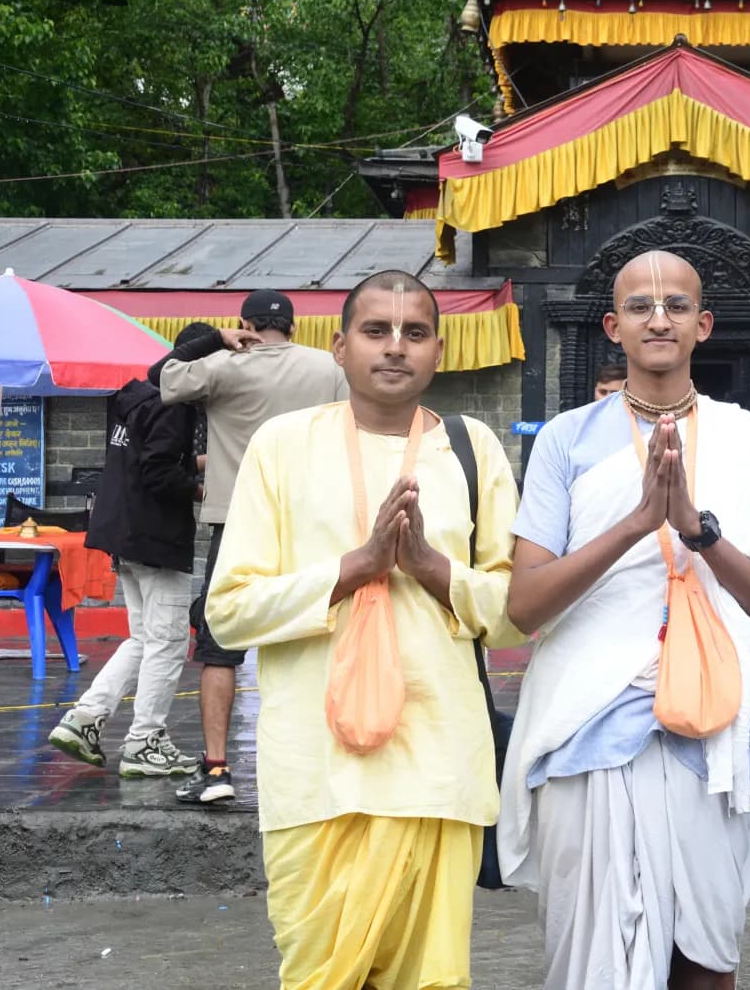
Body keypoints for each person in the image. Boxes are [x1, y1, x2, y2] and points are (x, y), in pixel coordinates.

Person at [499, 250, 750, 990]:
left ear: (703, 325)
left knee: (705, 959)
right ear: (614, 326)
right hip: (586, 721)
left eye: (676, 304)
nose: (659, 317)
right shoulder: (565, 441)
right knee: (593, 960)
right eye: (639, 306)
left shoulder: (746, 439)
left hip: (711, 728)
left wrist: (697, 530)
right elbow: (525, 604)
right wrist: (639, 523)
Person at [203, 270, 523, 990]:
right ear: (339, 347)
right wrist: (355, 568)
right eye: (376, 331)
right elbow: (228, 609)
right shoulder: (282, 446)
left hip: (439, 772)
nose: (395, 348)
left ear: (440, 352)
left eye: (414, 334)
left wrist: (431, 568)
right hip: (315, 777)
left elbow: (510, 616)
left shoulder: (473, 452)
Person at [150, 287, 346, 805]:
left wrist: (215, 340)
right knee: (315, 637)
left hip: (237, 520)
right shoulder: (327, 367)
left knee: (219, 647)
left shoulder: (223, 367)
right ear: (294, 328)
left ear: (245, 323)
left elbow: (162, 378)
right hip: (308, 522)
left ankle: (216, 772)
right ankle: (317, 764)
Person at [47, 322, 219, 776]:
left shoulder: (137, 394)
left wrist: (198, 462)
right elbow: (159, 471)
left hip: (122, 530)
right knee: (168, 641)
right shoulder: (174, 404)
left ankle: (84, 718)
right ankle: (145, 742)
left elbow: (147, 455)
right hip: (155, 535)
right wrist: (206, 490)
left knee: (143, 638)